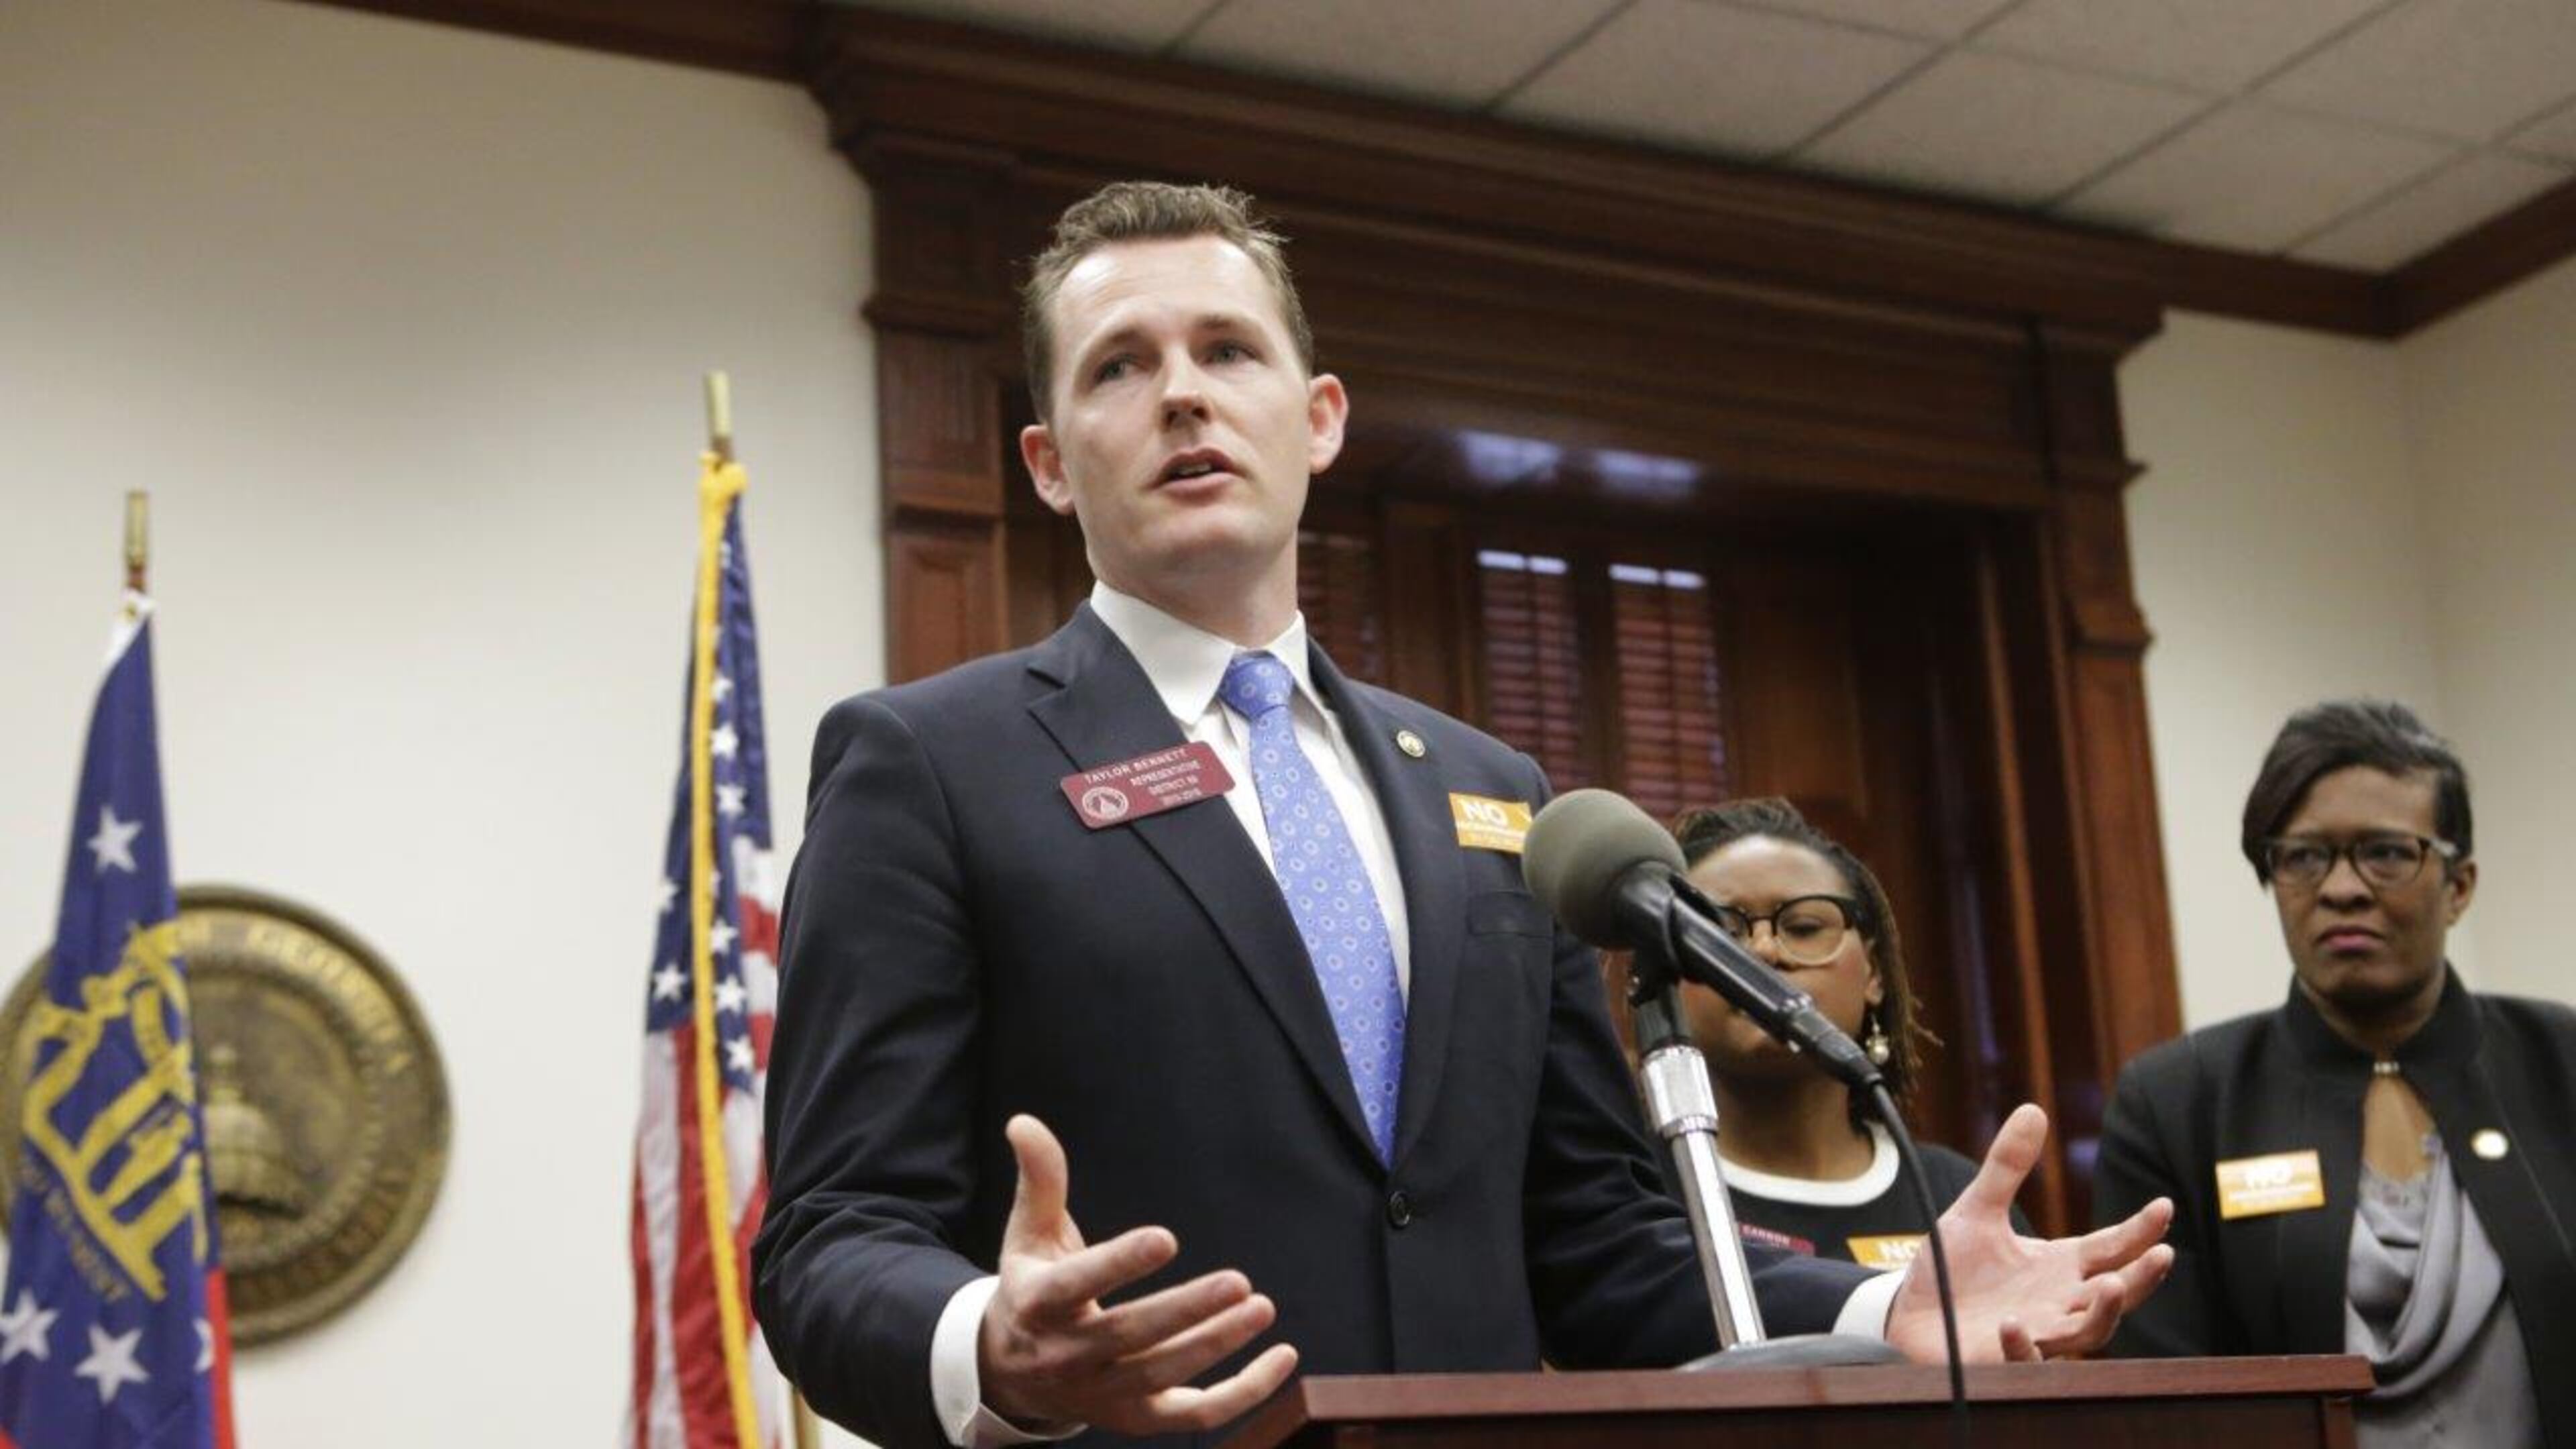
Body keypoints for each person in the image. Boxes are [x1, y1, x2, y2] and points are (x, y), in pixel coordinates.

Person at [754, 180, 2174, 1449]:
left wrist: (1885, 1309)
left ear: (1320, 419)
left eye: (1228, 350)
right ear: (1050, 461)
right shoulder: (932, 764)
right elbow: (832, 1238)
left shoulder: (1498, 799)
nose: (1182, 396)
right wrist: (991, 1345)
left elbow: (1596, 1242)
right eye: (1119, 366)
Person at [2095, 700, 2576, 1447]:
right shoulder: (2178, 1103)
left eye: (2386, 852)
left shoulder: (2562, 1063)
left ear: (2459, 885)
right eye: (2303, 857)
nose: (2342, 888)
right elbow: (2162, 1398)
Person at [1671, 798, 2025, 1269]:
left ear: (1873, 974)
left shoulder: (1957, 1196)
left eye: (1803, 927)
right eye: (1722, 931)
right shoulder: (1629, 1194)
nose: (1763, 950)